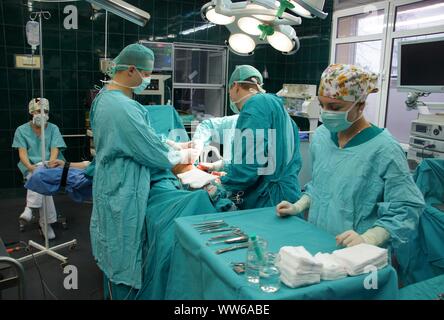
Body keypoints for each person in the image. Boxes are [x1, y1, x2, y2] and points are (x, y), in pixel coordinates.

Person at [89, 43, 199, 299]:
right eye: (146, 74)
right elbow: (152, 153)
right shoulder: (122, 107)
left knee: (114, 246)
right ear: (130, 70)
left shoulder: (106, 98)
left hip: (113, 181)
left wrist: (173, 143)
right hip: (123, 188)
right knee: (123, 251)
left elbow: (139, 138)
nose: (147, 80)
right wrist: (183, 154)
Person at [276, 64, 425, 251]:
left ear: (361, 105)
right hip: (318, 241)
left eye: (335, 106)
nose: (326, 113)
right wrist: (298, 206)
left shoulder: (384, 149)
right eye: (322, 105)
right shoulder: (322, 136)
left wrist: (370, 238)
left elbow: (407, 206)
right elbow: (321, 186)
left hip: (359, 255)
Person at [201, 65, 302, 210]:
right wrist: (219, 166)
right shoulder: (276, 106)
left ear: (235, 86)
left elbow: (250, 165)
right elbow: (271, 157)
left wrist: (221, 183)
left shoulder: (254, 106)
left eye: (229, 91)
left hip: (269, 200)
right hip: (288, 194)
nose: (230, 96)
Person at [12, 98, 66, 240]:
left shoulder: (53, 128)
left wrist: (50, 163)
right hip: (31, 167)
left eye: (46, 111)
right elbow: (22, 153)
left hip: (51, 165)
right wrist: (30, 167)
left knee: (41, 174)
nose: (42, 114)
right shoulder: (21, 130)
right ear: (31, 112)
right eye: (38, 111)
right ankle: (46, 224)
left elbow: (55, 150)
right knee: (41, 179)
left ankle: (30, 208)